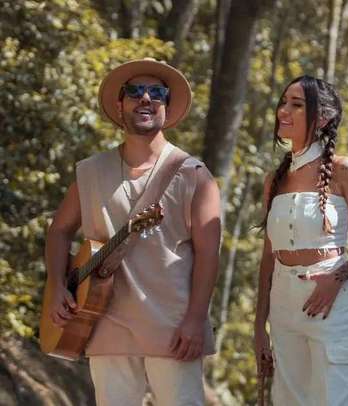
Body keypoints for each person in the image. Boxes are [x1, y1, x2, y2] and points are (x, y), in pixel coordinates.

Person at [44, 58, 221, 406]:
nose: (146, 98)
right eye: (135, 91)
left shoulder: (194, 175)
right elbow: (58, 231)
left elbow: (208, 256)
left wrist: (196, 319)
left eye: (157, 92)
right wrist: (56, 286)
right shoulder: (90, 171)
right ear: (119, 104)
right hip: (102, 322)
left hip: (173, 327)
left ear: (167, 107)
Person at [253, 75, 348, 406]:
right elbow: (268, 257)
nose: (283, 111)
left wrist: (336, 278)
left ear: (324, 117)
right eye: (283, 102)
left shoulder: (343, 171)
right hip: (283, 306)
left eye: (297, 105)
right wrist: (259, 328)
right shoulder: (274, 181)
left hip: (330, 302)